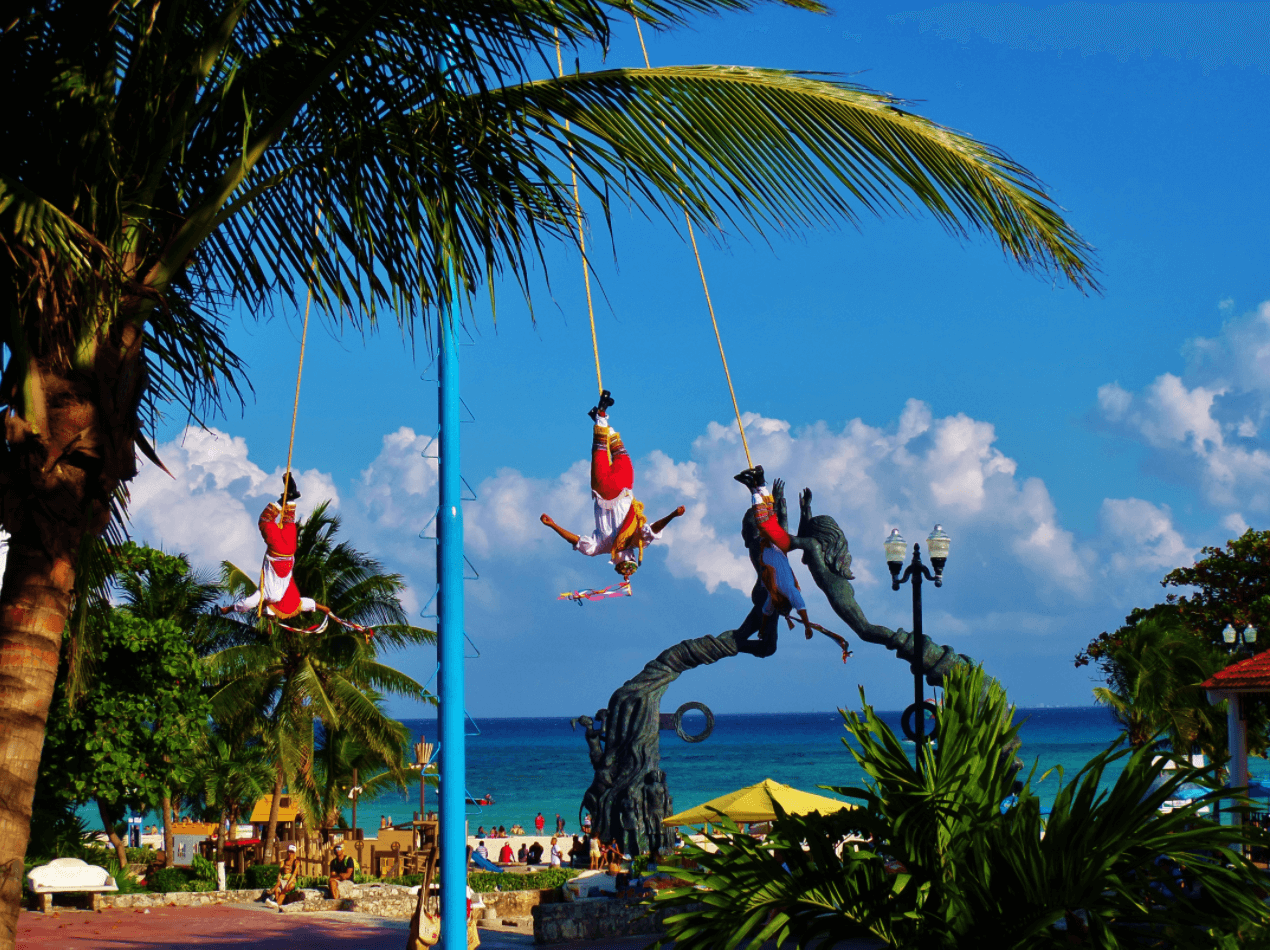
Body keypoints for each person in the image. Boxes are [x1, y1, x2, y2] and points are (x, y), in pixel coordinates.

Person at [540, 393, 685, 580]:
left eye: (625, 562)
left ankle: (601, 415)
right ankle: (600, 419)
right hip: (624, 485)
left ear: (616, 560)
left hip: (603, 490)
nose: (628, 557)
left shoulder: (601, 546)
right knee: (617, 446)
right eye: (631, 561)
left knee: (599, 447)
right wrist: (673, 514)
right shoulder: (637, 539)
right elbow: (654, 528)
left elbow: (576, 541)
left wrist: (553, 525)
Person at [221, 475, 334, 624]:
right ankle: (286, 498)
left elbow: (306, 603)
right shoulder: (265, 596)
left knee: (288, 521)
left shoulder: (286, 594)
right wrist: (229, 609)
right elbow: (246, 604)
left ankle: (291, 497)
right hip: (277, 551)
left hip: (290, 551)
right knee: (265, 521)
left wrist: (324, 608)